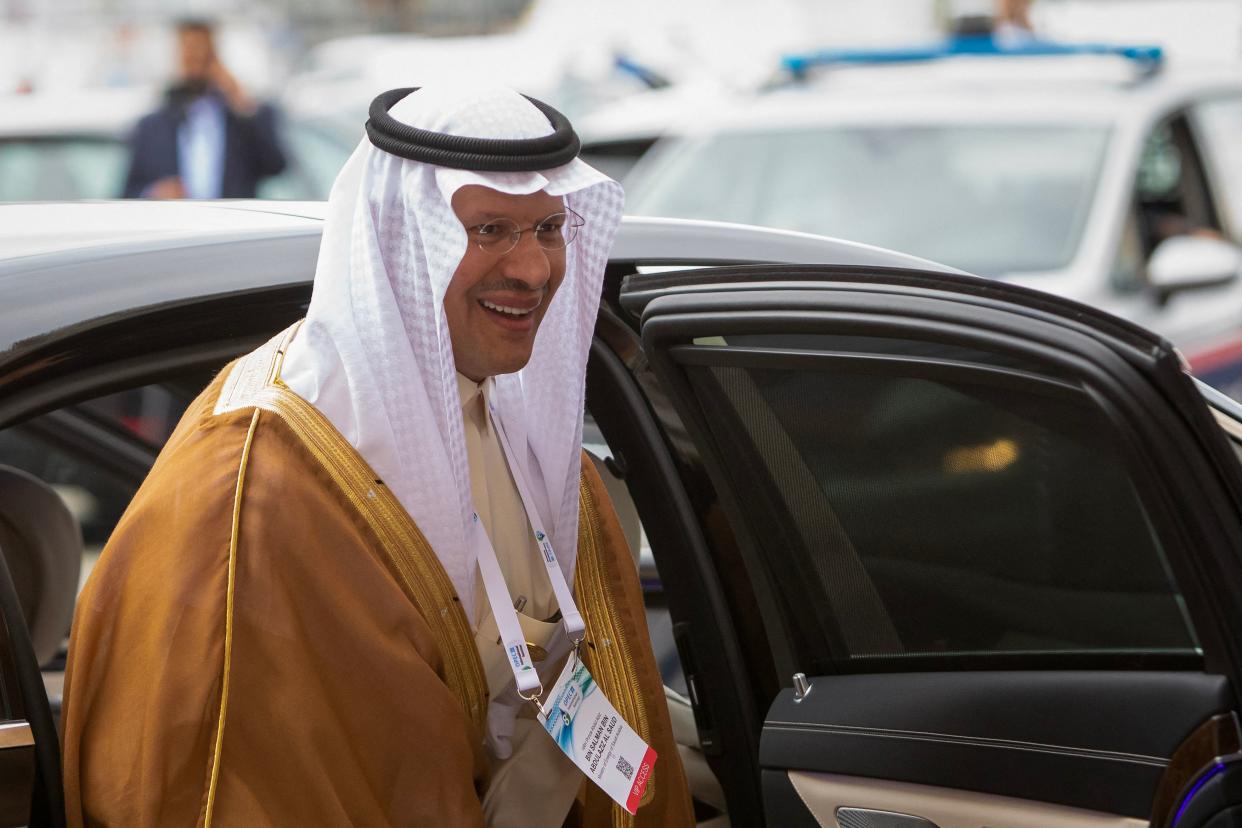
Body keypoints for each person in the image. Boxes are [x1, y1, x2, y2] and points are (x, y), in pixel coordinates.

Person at [61, 85, 692, 827]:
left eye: (548, 227)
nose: (532, 270)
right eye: (489, 230)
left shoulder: (525, 431)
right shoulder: (256, 493)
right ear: (404, 237)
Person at [122, 19, 286, 199]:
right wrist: (154, 192)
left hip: (235, 223)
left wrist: (240, 101)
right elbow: (127, 192)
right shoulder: (152, 127)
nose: (194, 61)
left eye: (201, 52)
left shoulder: (244, 117)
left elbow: (276, 166)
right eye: (187, 53)